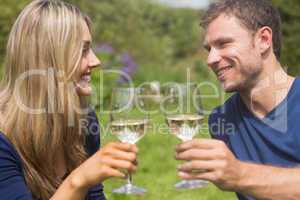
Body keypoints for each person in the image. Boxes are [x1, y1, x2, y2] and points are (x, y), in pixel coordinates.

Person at [0, 0, 138, 199]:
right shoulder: (4, 141)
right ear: (49, 59)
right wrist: (78, 180)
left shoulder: (84, 121)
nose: (96, 61)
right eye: (83, 51)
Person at [175, 0, 300, 199]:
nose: (210, 60)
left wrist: (241, 175)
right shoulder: (221, 120)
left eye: (223, 44)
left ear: (264, 40)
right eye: (209, 49)